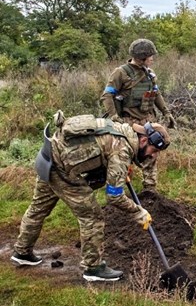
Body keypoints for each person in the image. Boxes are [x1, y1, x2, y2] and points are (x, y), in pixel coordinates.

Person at [11, 111, 171, 282]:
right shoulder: (122, 150)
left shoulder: (121, 131)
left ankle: (22, 251)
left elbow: (100, 152)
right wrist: (138, 212)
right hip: (62, 170)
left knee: (38, 209)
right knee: (92, 216)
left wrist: (118, 171)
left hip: (49, 154)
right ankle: (93, 268)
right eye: (154, 150)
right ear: (144, 140)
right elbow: (114, 196)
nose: (153, 156)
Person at [101, 38, 175, 192]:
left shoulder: (149, 74)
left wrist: (166, 112)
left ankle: (150, 189)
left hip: (148, 120)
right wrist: (114, 117)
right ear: (142, 58)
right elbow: (107, 96)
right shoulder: (121, 73)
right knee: (123, 155)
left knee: (151, 153)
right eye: (150, 56)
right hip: (128, 122)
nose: (153, 59)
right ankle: (117, 190)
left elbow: (156, 94)